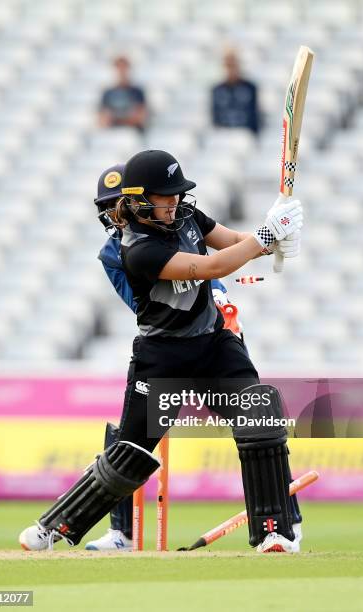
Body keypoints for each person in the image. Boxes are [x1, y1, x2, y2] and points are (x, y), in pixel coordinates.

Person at [19, 150, 303, 554]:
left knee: (259, 414)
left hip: (214, 347)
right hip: (162, 358)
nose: (174, 202)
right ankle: (56, 526)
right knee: (130, 455)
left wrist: (274, 238)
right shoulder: (137, 249)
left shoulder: (187, 217)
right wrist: (267, 236)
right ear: (137, 199)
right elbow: (213, 267)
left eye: (176, 194)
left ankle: (275, 530)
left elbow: (234, 243)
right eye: (164, 196)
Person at [86, 163, 240, 551]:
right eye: (105, 207)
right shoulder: (114, 252)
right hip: (166, 345)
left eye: (114, 204)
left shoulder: (176, 224)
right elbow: (145, 300)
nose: (111, 214)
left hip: (211, 336)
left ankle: (280, 520)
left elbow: (199, 261)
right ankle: (121, 532)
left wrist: (219, 293)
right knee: (129, 439)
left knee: (257, 426)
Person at [211, 48, 261, 135]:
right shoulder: (217, 90)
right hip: (223, 135)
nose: (231, 69)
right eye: (228, 65)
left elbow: (254, 115)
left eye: (233, 64)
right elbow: (215, 117)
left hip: (245, 135)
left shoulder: (250, 88)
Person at [97, 56, 147, 131]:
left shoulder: (137, 92)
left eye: (124, 68)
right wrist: (128, 119)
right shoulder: (108, 93)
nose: (121, 72)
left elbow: (140, 117)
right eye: (119, 68)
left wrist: (115, 121)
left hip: (133, 133)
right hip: (112, 134)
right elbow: (103, 119)